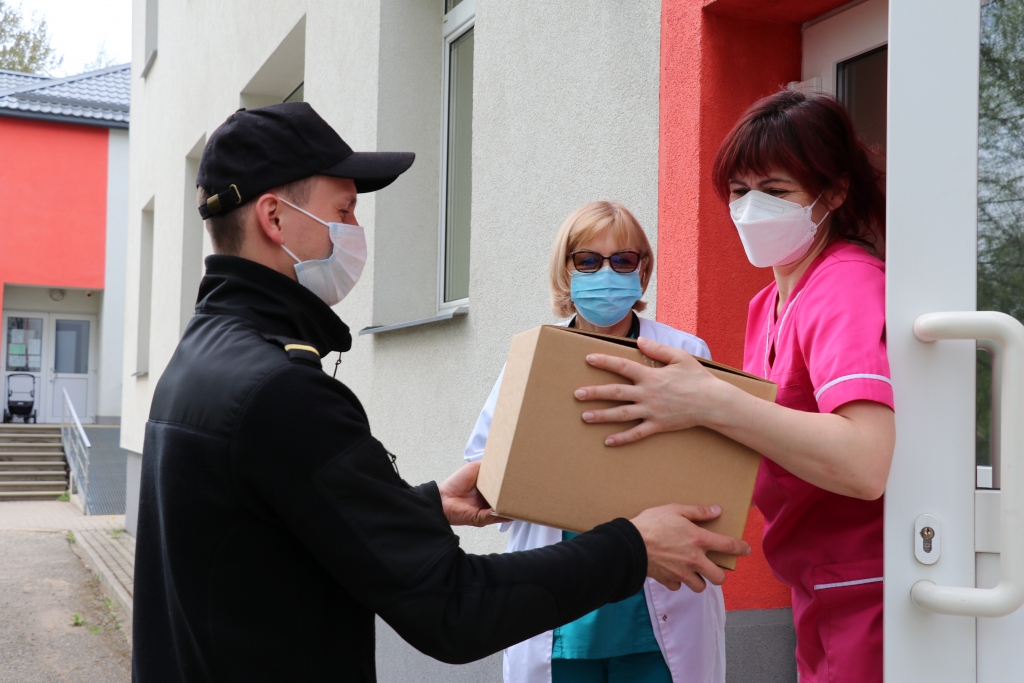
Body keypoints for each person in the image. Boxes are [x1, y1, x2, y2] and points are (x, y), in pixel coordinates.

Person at [131, 102, 752, 683]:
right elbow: (452, 608)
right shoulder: (280, 390)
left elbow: (296, 522)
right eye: (344, 211)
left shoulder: (198, 363)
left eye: (625, 262)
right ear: (274, 218)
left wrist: (426, 506)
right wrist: (634, 546)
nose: (354, 231)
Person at [572, 90, 893, 683]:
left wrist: (711, 401)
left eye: (775, 192)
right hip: (819, 585)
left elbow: (865, 462)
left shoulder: (846, 286)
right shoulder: (768, 303)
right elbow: (772, 440)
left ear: (836, 193)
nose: (750, 209)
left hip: (869, 587)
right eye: (739, 191)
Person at [465, 201, 725, 683]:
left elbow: (711, 466)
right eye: (589, 261)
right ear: (566, 269)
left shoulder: (684, 354)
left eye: (622, 261)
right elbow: (487, 467)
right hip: (565, 605)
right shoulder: (533, 354)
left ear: (642, 269)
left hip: (656, 601)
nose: (606, 273)